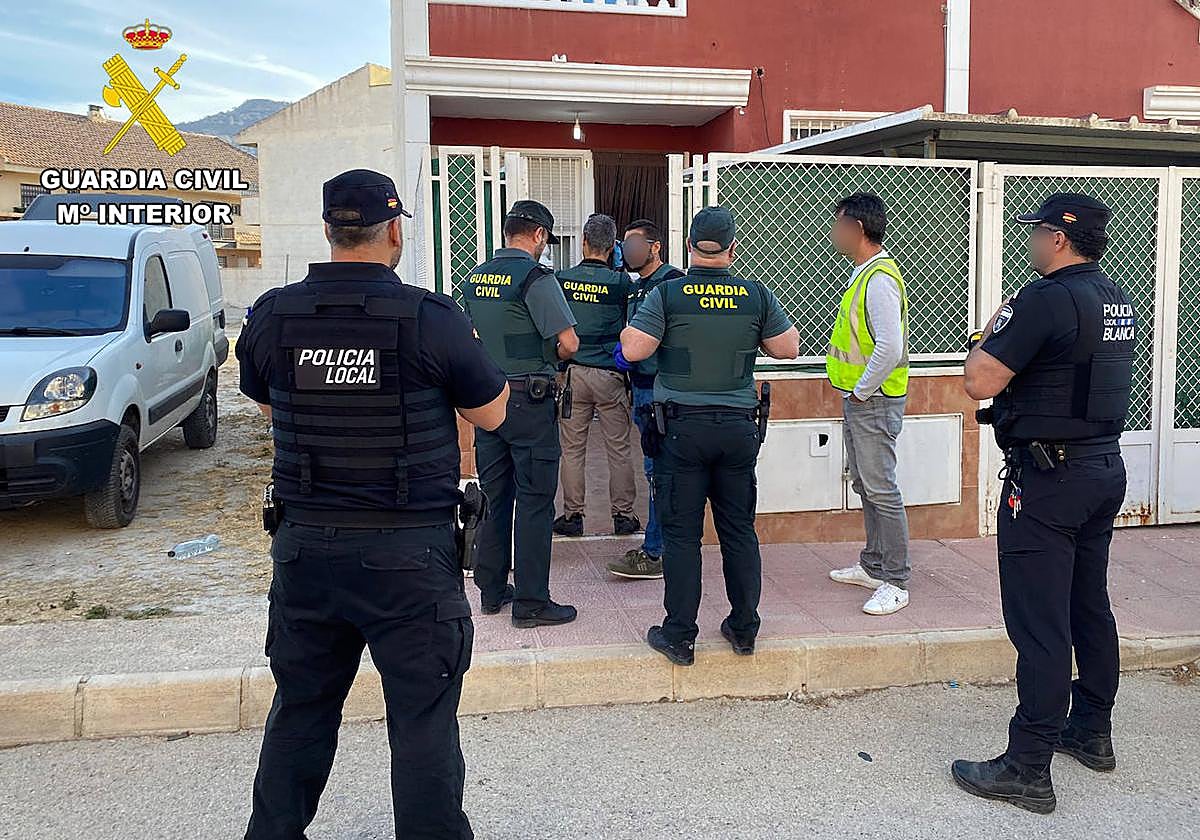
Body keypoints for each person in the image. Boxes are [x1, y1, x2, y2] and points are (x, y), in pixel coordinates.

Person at [237, 169, 509, 840]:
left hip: (307, 550)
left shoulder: (274, 313)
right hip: (408, 557)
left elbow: (267, 396)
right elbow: (494, 413)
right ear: (394, 231)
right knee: (422, 723)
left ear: (330, 231)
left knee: (301, 711)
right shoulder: (430, 316)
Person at [953, 193, 1136, 814]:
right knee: (1089, 605)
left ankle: (1028, 765)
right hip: (1101, 469)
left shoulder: (1044, 297)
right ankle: (1091, 729)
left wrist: (987, 341)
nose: (1028, 241)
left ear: (1058, 238)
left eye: (1034, 231)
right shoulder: (1114, 297)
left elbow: (981, 379)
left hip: (1048, 480)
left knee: (1039, 622)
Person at [619, 206, 800, 665]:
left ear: (688, 247)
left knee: (681, 536)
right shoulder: (756, 294)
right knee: (738, 530)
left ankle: (679, 636)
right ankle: (744, 629)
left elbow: (634, 348)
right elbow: (788, 348)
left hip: (681, 430)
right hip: (738, 429)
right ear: (734, 249)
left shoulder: (667, 294)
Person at [463, 200, 581, 628]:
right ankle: (532, 602)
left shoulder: (477, 277)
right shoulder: (535, 277)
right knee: (534, 502)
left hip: (488, 398)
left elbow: (474, 333)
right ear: (539, 236)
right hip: (529, 401)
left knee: (495, 497)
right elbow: (568, 343)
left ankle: (492, 592)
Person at [824, 193, 913, 616]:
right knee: (866, 485)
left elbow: (890, 347)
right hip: (863, 400)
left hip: (874, 401)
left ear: (857, 229)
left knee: (881, 489)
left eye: (838, 223)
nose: (833, 232)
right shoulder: (864, 273)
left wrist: (861, 390)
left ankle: (895, 580)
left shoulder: (877, 278)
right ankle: (874, 565)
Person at [552, 213, 641, 538]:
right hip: (610, 375)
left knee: (572, 449)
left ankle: (573, 516)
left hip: (573, 374)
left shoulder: (561, 279)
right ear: (612, 246)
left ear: (584, 242)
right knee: (619, 448)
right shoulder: (622, 284)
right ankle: (624, 517)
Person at [606, 219, 686, 580]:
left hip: (660, 390)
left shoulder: (673, 284)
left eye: (634, 244)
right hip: (640, 388)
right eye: (624, 244)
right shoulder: (639, 287)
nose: (627, 250)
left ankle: (657, 551)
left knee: (660, 471)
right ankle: (661, 547)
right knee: (655, 469)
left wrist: (638, 356)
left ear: (655, 247)